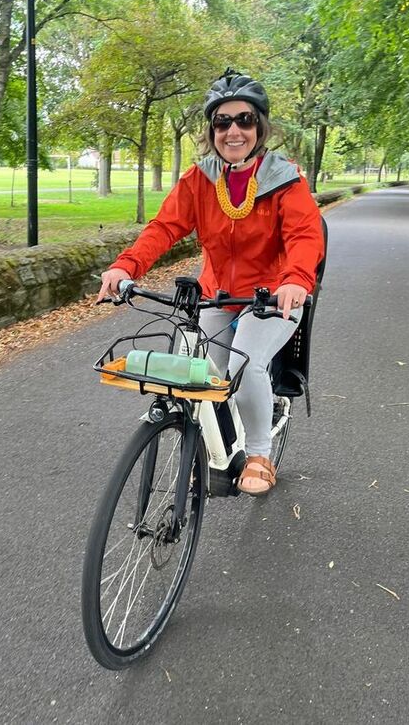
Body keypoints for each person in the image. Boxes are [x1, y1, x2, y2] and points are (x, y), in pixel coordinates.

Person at [98, 69, 325, 495]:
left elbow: (304, 236)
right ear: (211, 129)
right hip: (217, 294)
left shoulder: (284, 179)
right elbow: (163, 228)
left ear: (260, 126)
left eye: (244, 120)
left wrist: (295, 279)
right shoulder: (199, 180)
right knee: (203, 372)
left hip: (272, 297)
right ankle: (211, 445)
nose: (233, 130)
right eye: (223, 121)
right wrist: (126, 267)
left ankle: (259, 453)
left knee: (246, 365)